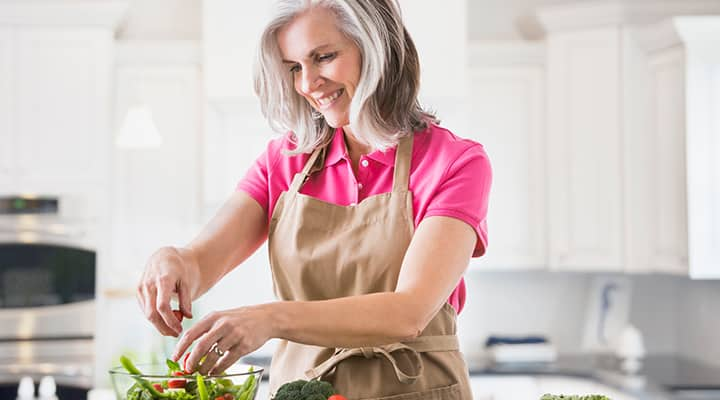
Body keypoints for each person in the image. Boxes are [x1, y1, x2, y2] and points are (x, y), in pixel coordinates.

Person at [136, 0, 492, 398]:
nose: (307, 84)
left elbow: (409, 311)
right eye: (293, 68)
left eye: (323, 57)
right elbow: (201, 262)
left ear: (377, 49)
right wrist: (173, 261)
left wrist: (269, 319)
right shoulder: (285, 161)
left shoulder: (455, 162)